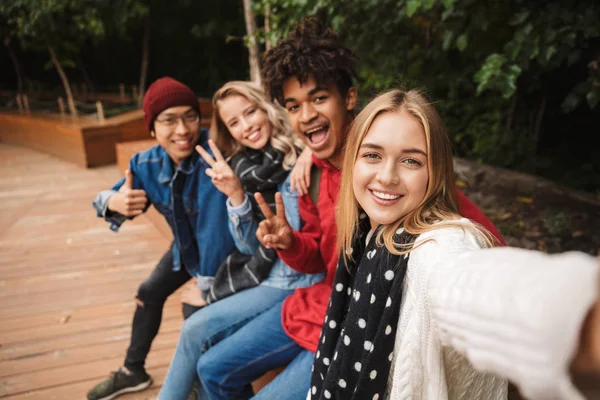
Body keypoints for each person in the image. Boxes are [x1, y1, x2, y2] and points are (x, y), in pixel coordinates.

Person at [193, 18, 504, 400]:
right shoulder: (313, 176)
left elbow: (479, 249)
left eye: (319, 98)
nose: (306, 115)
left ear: (350, 100)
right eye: (294, 105)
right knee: (211, 367)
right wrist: (289, 242)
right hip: (317, 305)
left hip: (361, 325)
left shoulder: (402, 184)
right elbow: (319, 260)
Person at [308, 88, 600, 400]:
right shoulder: (364, 233)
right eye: (372, 155)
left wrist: (579, 317)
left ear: (434, 172)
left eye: (411, 160)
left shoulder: (439, 244)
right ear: (352, 160)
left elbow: (469, 282)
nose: (387, 176)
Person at [158, 81, 323, 399]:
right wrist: (235, 195)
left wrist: (310, 153)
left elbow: (337, 133)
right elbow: (250, 247)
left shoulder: (304, 148)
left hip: (300, 280)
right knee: (199, 335)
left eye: (251, 112)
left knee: (199, 333)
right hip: (271, 276)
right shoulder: (246, 168)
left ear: (267, 108)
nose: (246, 126)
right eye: (234, 122)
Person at [87, 77, 235, 400]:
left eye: (190, 116)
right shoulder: (146, 164)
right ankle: (132, 371)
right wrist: (112, 203)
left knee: (194, 312)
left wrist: (206, 283)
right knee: (149, 292)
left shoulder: (219, 151)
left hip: (228, 260)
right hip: (186, 251)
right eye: (169, 120)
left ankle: (200, 384)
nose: (182, 130)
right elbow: (108, 199)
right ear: (152, 129)